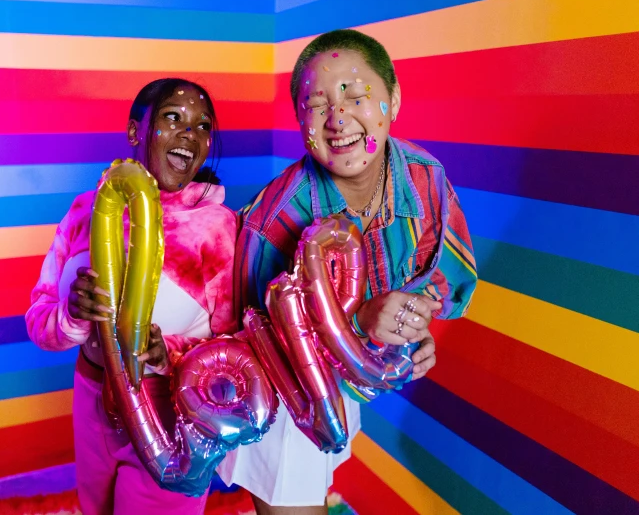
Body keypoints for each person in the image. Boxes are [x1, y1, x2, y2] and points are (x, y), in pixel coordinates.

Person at [216, 29, 478, 514]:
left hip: (345, 387)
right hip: (283, 405)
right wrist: (358, 322)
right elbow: (253, 346)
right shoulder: (274, 221)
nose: (338, 120)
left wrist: (414, 324)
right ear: (299, 119)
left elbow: (435, 270)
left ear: (393, 99)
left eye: (356, 96)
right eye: (317, 105)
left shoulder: (424, 177)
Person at [25, 78, 237, 515]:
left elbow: (235, 352)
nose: (188, 134)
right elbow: (38, 320)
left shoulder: (217, 228)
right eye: (172, 118)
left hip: (171, 414)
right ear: (136, 131)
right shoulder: (85, 211)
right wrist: (71, 316)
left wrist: (170, 354)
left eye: (201, 126)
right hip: (91, 402)